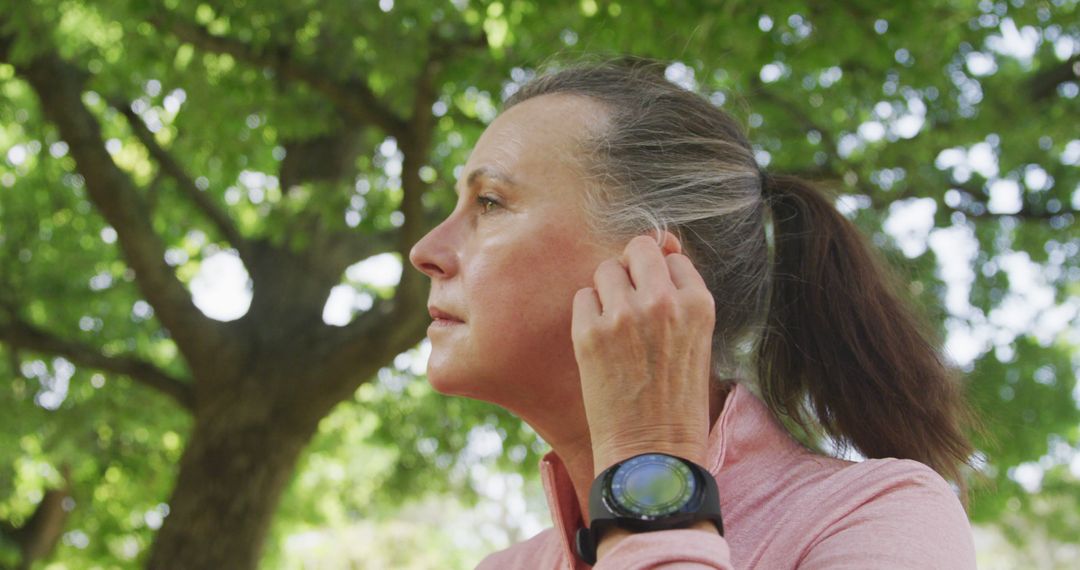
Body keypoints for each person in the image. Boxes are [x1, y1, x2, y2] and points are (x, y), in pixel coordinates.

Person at [408, 58, 989, 569]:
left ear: (653, 266)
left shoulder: (880, 517)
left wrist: (649, 454)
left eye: (489, 203)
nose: (425, 252)